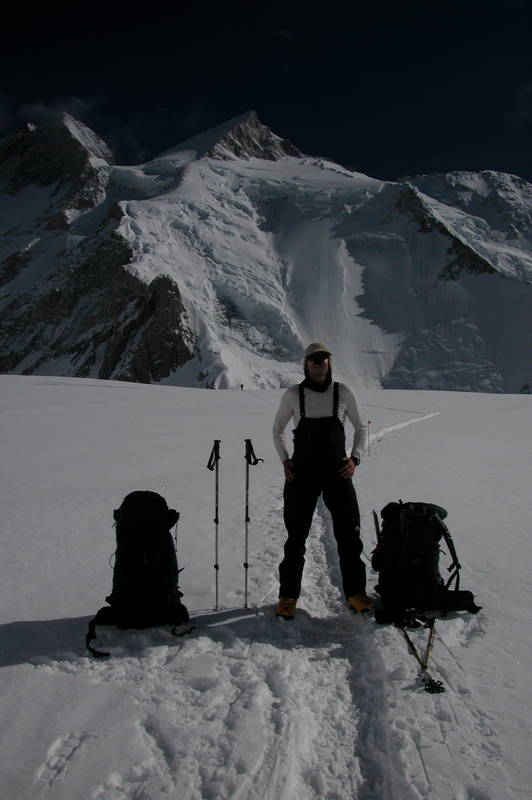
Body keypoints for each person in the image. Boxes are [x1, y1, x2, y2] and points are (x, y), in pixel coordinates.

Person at [272, 343, 371, 619]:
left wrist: (355, 459)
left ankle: (356, 593)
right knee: (296, 538)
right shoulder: (294, 395)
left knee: (349, 535)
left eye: (323, 359)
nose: (318, 363)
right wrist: (285, 460)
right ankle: (287, 597)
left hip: (337, 473)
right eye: (313, 359)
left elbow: (361, 426)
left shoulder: (343, 392)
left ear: (329, 363)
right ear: (306, 364)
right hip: (301, 474)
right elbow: (278, 429)